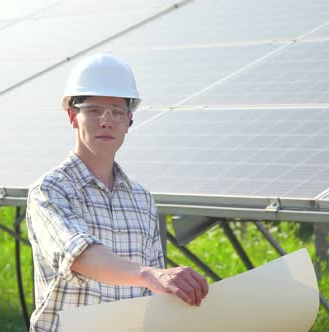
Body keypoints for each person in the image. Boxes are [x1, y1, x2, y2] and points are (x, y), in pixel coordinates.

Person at [26, 53, 208, 332]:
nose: (107, 121)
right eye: (95, 110)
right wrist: (150, 275)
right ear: (73, 116)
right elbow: (81, 256)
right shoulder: (50, 191)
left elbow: (154, 297)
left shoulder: (141, 200)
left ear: (129, 121)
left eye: (117, 112)